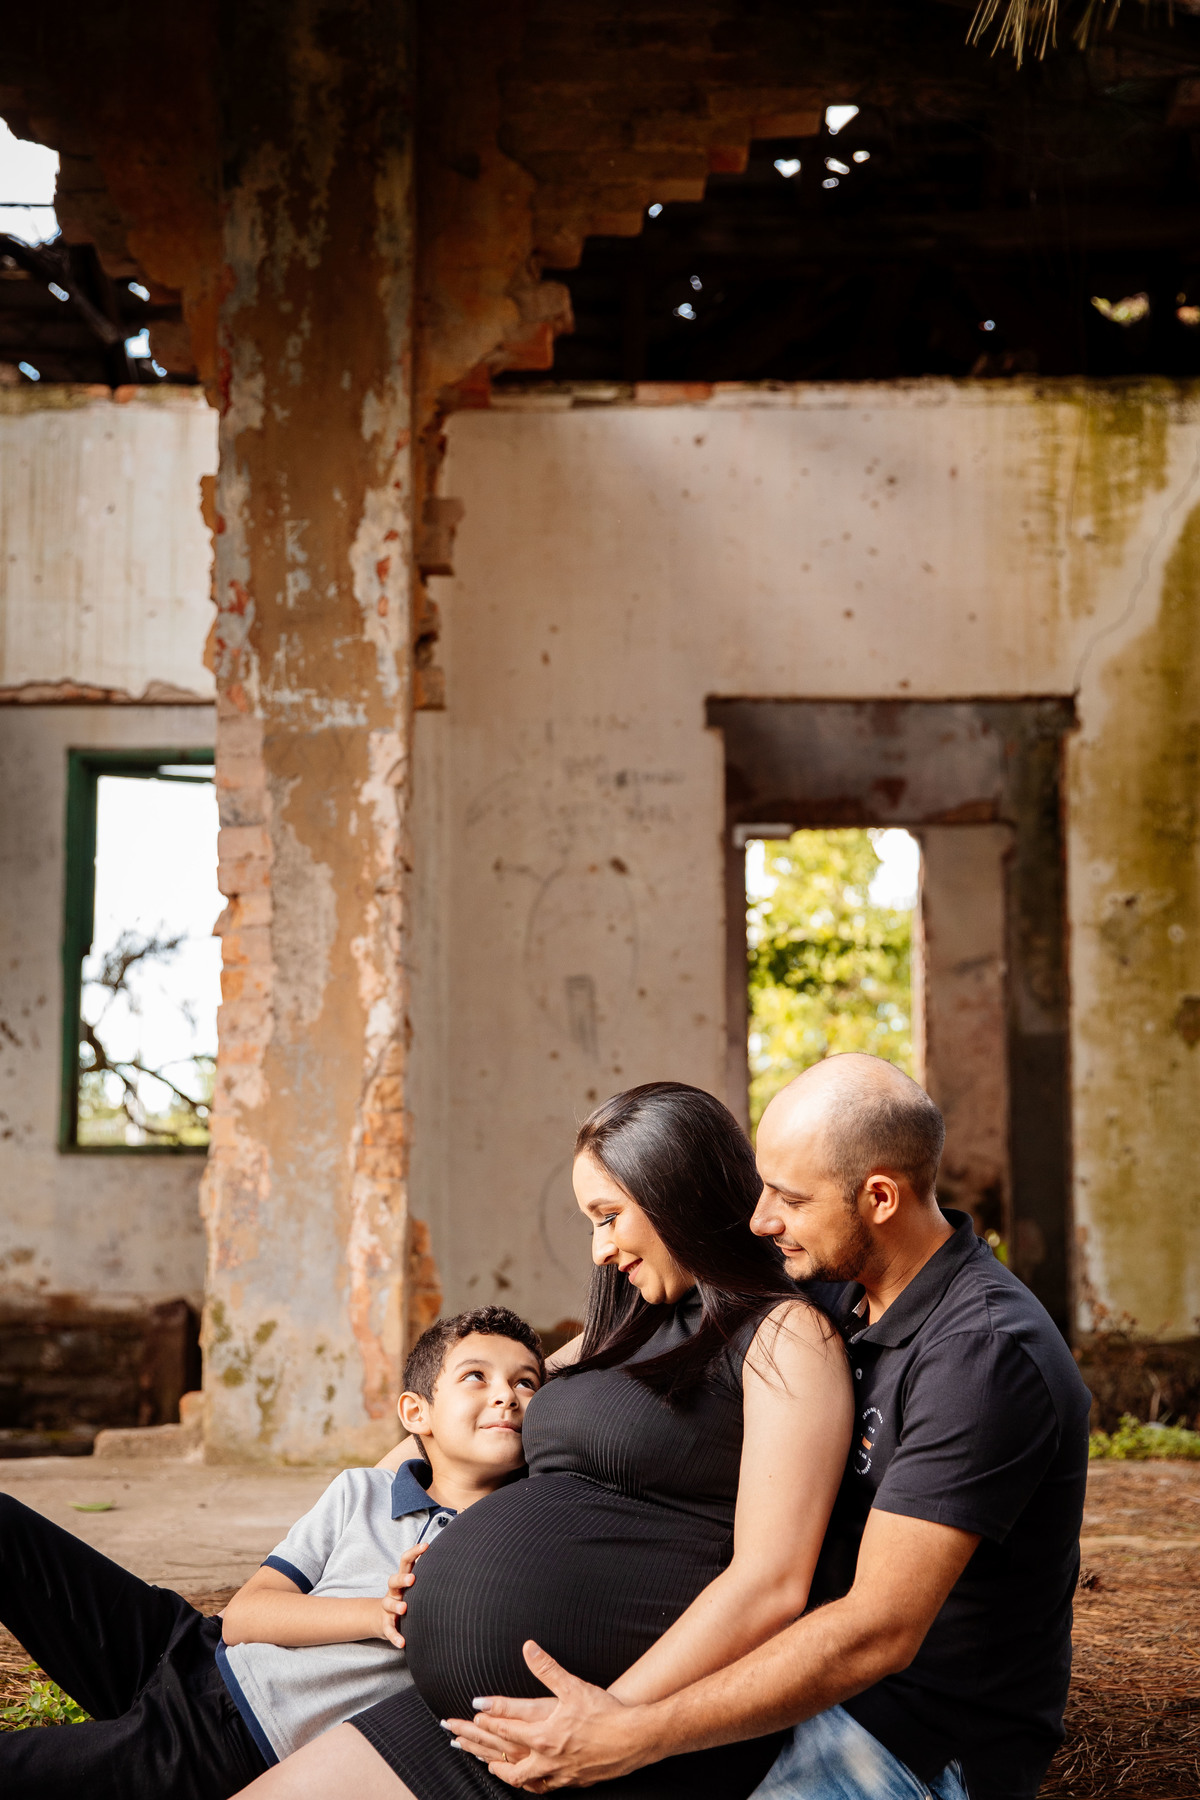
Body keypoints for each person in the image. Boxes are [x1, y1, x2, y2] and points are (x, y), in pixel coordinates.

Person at [442, 1055, 1093, 1800]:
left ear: (879, 1197)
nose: (759, 1219)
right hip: (801, 1681)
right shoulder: (843, 1283)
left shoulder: (982, 1354)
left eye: (787, 1196)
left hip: (906, 1737)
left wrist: (629, 1731)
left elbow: (876, 1631)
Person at [231, 1080, 854, 1800]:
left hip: (608, 1735)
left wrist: (608, 1722)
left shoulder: (785, 1337)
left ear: (674, 1190)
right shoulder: (619, 1329)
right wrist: (381, 1506)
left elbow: (771, 1583)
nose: (599, 1248)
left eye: (609, 1216)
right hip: (473, 1720)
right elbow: (448, 1420)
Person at [0, 1305, 544, 1800]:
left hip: (237, 1739)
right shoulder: (364, 1490)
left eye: (527, 1384)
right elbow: (244, 1616)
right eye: (476, 1376)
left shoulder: (513, 1541)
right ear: (416, 1412)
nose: (506, 1395)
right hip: (188, 1645)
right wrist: (377, 1613)